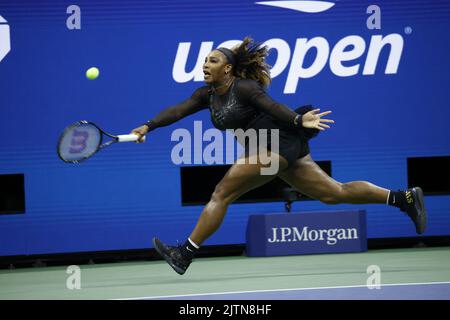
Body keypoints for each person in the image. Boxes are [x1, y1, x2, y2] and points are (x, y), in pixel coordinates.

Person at [131, 37, 427, 275]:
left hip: (273, 144)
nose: (206, 64)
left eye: (213, 60)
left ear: (228, 69)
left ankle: (184, 254)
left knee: (221, 193)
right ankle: (403, 198)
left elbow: (272, 106)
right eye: (205, 60)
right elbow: (177, 110)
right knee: (334, 193)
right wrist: (148, 125)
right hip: (277, 146)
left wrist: (298, 121)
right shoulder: (205, 94)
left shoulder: (245, 87)